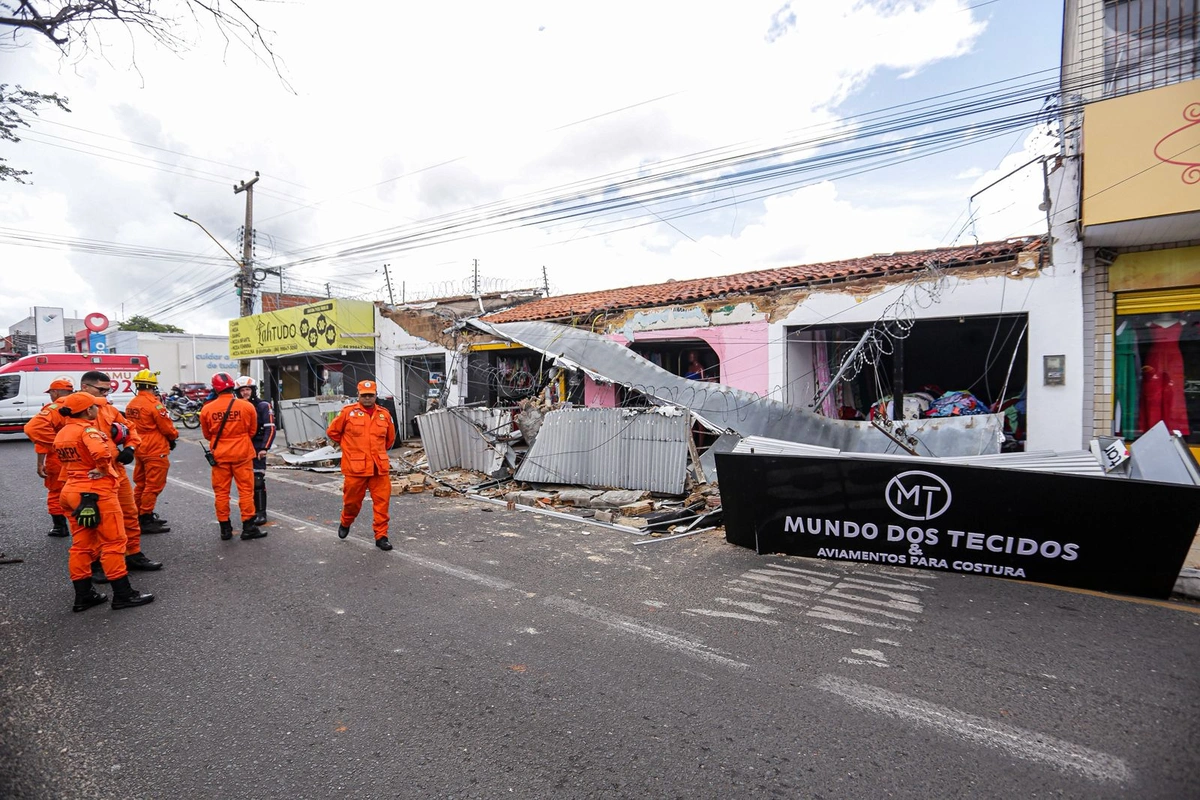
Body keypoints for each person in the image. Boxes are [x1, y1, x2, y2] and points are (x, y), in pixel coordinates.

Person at [52, 391, 154, 611]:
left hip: (71, 491)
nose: (99, 408)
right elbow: (101, 453)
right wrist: (101, 469)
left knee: (81, 546)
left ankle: (83, 596)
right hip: (96, 493)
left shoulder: (62, 433)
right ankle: (123, 594)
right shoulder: (88, 430)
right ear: (88, 410)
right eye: (95, 406)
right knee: (113, 543)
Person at [79, 370, 163, 579]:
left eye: (108, 390)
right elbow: (37, 429)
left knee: (129, 513)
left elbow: (131, 429)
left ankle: (132, 553)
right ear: (85, 388)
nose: (105, 394)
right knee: (98, 521)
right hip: (91, 475)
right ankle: (97, 563)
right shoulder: (71, 409)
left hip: (115, 471)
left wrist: (130, 448)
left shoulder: (108, 410)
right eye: (102, 390)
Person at [327, 379, 396, 551]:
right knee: (351, 502)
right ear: (358, 395)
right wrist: (349, 448)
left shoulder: (384, 414)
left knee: (382, 504)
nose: (367, 399)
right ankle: (346, 521)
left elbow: (390, 440)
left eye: (370, 395)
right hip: (355, 468)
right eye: (364, 395)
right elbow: (333, 432)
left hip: (378, 468)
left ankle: (381, 536)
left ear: (375, 395)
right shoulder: (348, 413)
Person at [200, 372, 264, 541]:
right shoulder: (247, 406)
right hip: (242, 453)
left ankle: (225, 528)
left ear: (215, 388)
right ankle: (248, 526)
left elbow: (207, 434)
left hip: (220, 455)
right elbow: (252, 430)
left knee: (221, 493)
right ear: (232, 387)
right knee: (245, 491)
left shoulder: (207, 409)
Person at [125, 368, 178, 534]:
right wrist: (173, 437)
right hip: (155, 448)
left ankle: (137, 515)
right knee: (153, 485)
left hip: (139, 447)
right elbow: (167, 428)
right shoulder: (154, 404)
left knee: (141, 483)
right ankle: (145, 517)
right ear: (152, 386)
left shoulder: (132, 403)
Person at [23, 376, 75, 537]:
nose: (50, 396)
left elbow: (36, 432)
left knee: (56, 491)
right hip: (81, 455)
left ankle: (60, 527)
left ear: (55, 392)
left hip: (58, 457)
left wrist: (41, 462)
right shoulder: (82, 405)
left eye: (50, 393)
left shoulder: (53, 409)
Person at [234, 376, 276, 525]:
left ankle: (261, 513)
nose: (246, 393)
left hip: (258, 447)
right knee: (245, 482)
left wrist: (265, 447)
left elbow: (270, 428)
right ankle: (249, 512)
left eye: (248, 389)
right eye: (242, 390)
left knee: (258, 480)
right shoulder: (235, 407)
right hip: (241, 448)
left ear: (253, 390)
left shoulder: (263, 406)